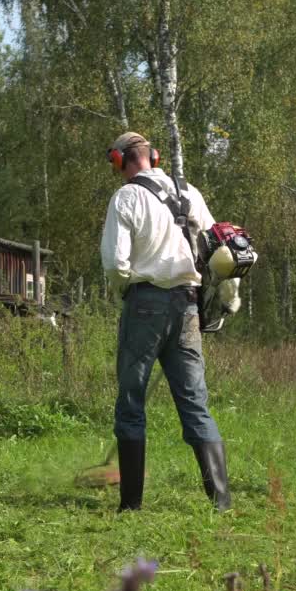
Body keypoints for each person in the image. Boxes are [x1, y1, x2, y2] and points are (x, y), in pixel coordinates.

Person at [99, 131, 236, 512]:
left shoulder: (126, 196)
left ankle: (131, 506)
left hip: (145, 304)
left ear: (120, 159)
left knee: (131, 401)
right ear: (153, 157)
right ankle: (221, 502)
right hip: (189, 307)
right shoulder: (189, 193)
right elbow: (218, 248)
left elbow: (115, 263)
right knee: (195, 403)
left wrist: (124, 290)